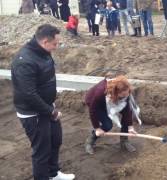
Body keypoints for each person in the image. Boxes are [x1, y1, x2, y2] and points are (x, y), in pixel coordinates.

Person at [11, 24, 75, 180]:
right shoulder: (24, 61)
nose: (57, 47)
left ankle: (53, 174)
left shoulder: (42, 52)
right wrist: (50, 111)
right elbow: (28, 94)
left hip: (47, 107)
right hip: (33, 113)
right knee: (42, 151)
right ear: (45, 41)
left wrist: (51, 104)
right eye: (55, 44)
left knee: (55, 141)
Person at [84, 75, 142, 154]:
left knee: (126, 117)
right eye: (123, 96)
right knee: (107, 125)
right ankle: (90, 140)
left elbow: (127, 110)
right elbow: (92, 110)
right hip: (96, 103)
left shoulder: (125, 93)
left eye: (127, 94)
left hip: (113, 100)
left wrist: (130, 127)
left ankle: (124, 141)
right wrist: (97, 128)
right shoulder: (100, 93)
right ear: (115, 93)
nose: (126, 96)